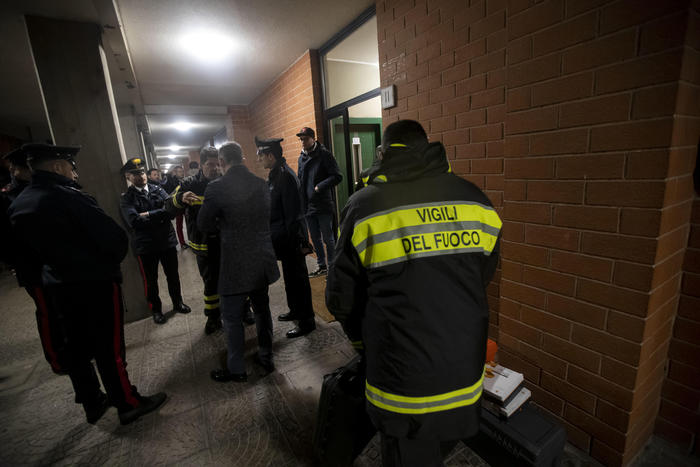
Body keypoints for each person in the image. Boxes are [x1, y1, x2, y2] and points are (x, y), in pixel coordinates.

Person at [326, 120, 502, 466]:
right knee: (441, 439)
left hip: (401, 374)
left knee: (408, 453)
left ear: (383, 153)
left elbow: (341, 298)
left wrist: (364, 343)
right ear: (428, 148)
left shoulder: (365, 207)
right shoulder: (475, 200)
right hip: (462, 365)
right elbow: (482, 275)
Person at [8, 143, 166, 425]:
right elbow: (114, 239)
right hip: (95, 284)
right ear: (58, 167)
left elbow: (21, 254)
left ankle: (92, 401)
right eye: (70, 166)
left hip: (56, 285)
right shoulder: (70, 197)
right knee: (108, 347)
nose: (73, 171)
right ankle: (127, 402)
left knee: (77, 346)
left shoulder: (20, 203)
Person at [198, 142, 279, 381]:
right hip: (261, 259)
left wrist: (222, 227)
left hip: (234, 261)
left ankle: (236, 369)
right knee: (262, 311)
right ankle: (266, 357)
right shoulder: (262, 184)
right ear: (242, 158)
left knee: (232, 318)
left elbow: (203, 224)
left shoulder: (216, 188)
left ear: (222, 162)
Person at [256, 137, 316, 339]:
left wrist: (294, 241)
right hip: (281, 238)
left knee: (298, 280)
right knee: (290, 279)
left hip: (290, 238)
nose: (259, 160)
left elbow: (293, 215)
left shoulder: (285, 177)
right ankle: (295, 311)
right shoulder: (275, 175)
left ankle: (307, 321)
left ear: (270, 156)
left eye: (260, 156)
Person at [119, 157, 190, 324]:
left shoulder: (157, 189)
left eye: (142, 172)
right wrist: (160, 214)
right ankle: (156, 310)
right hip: (146, 246)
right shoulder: (127, 198)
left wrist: (149, 214)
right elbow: (134, 221)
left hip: (166, 241)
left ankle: (177, 302)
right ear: (128, 177)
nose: (141, 176)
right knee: (151, 281)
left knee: (173, 276)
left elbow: (171, 212)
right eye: (135, 174)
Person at [166, 147, 227, 334]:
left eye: (218, 164)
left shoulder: (226, 182)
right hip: (204, 244)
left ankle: (244, 310)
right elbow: (168, 205)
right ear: (201, 165)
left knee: (234, 277)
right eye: (210, 164)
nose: (215, 168)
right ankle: (213, 317)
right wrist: (180, 198)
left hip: (226, 243)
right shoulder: (188, 184)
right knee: (210, 283)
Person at [296, 127, 342, 277]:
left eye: (305, 138)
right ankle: (322, 266)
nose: (303, 142)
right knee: (315, 238)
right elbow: (301, 181)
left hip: (322, 204)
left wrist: (319, 187)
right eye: (301, 139)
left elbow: (337, 176)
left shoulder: (324, 155)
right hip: (308, 206)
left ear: (313, 138)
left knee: (328, 238)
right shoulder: (301, 158)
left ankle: (333, 267)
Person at [162, 165, 187, 249]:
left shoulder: (186, 180)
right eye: (179, 172)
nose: (182, 173)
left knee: (189, 223)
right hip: (177, 207)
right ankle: (182, 243)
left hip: (186, 205)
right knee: (179, 225)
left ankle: (190, 240)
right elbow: (166, 186)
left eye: (182, 171)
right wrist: (169, 174)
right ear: (175, 173)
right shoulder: (172, 181)